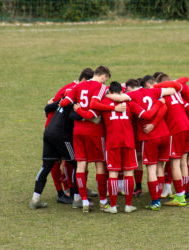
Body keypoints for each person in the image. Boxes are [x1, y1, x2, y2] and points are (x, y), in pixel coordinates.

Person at [77, 81, 164, 213]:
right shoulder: (129, 103)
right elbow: (144, 114)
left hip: (112, 142)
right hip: (129, 141)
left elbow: (92, 111)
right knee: (129, 172)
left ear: (110, 93)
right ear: (122, 92)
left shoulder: (104, 103)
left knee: (113, 173)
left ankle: (112, 206)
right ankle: (128, 205)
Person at [60, 66, 126, 212]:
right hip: (94, 132)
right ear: (103, 76)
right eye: (106, 79)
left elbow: (64, 102)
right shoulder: (101, 87)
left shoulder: (78, 86)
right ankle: (103, 201)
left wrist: (73, 106)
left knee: (81, 165)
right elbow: (94, 106)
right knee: (100, 165)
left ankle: (83, 201)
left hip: (78, 131)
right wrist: (113, 109)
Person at [44, 68, 95, 204]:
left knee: (76, 159)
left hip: (68, 129)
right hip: (57, 129)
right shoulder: (71, 89)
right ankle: (66, 190)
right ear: (85, 80)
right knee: (59, 161)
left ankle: (77, 189)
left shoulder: (80, 89)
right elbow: (50, 107)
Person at [154, 76, 189, 201]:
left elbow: (185, 79)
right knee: (185, 160)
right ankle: (185, 191)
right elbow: (184, 78)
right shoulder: (178, 92)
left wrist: (154, 88)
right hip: (187, 126)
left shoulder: (179, 88)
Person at [29, 99, 82, 209]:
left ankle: (35, 199)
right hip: (61, 136)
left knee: (46, 166)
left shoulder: (64, 99)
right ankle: (77, 198)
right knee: (78, 164)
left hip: (48, 133)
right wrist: (83, 112)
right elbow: (74, 116)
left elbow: (47, 108)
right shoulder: (75, 101)